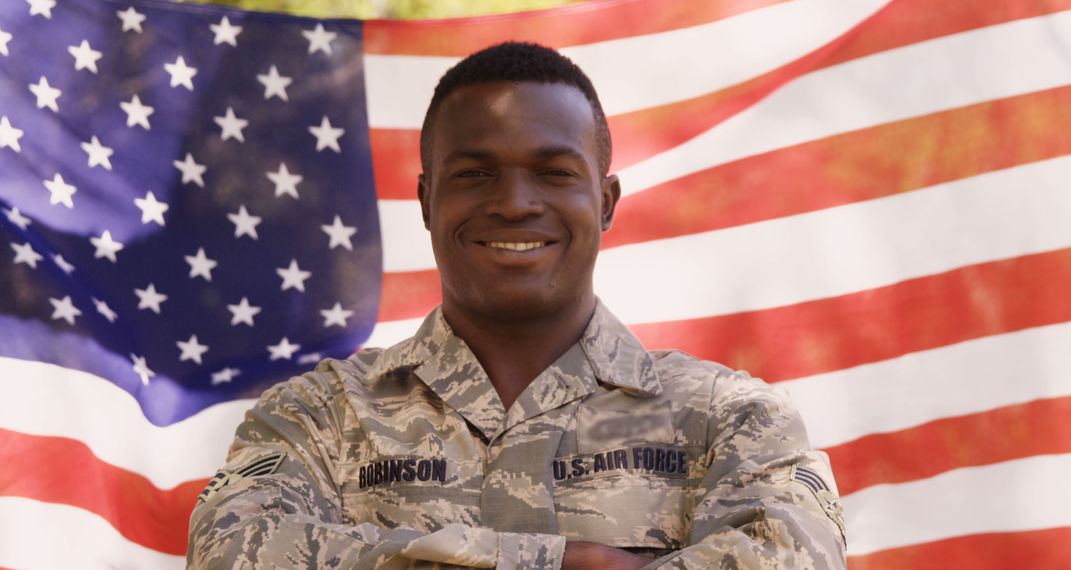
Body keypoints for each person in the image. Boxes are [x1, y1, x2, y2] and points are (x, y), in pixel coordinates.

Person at [187, 42, 846, 569]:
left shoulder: (731, 419)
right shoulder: (317, 417)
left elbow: (797, 558)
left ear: (607, 202)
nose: (514, 202)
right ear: (425, 202)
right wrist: (550, 562)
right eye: (475, 173)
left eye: (553, 172)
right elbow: (229, 554)